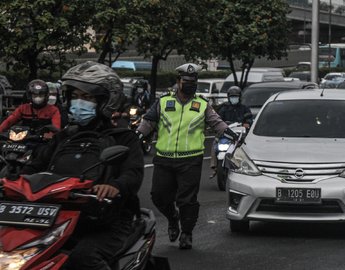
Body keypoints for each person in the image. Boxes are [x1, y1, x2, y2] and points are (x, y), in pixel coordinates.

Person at [21, 61, 144, 270]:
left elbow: (133, 173)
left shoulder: (123, 138)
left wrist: (115, 187)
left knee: (83, 257)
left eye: (87, 98)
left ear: (106, 101)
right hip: (55, 217)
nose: (79, 103)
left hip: (108, 220)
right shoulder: (63, 138)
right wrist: (11, 181)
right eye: (75, 96)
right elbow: (34, 166)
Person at [136, 63, 237, 249]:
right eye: (186, 81)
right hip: (164, 159)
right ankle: (173, 218)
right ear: (178, 82)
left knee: (187, 200)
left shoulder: (202, 105)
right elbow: (148, 122)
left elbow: (217, 123)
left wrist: (232, 134)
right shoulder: (164, 102)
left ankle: (187, 233)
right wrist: (136, 136)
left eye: (193, 81)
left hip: (190, 160)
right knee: (158, 196)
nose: (190, 84)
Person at [209, 86, 253, 178]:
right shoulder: (224, 108)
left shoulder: (244, 108)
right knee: (215, 143)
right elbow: (217, 119)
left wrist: (247, 123)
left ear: (240, 97)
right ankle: (214, 167)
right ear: (228, 97)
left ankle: (250, 167)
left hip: (240, 134)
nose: (234, 98)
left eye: (236, 96)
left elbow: (249, 119)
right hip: (226, 133)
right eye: (232, 96)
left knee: (246, 147)